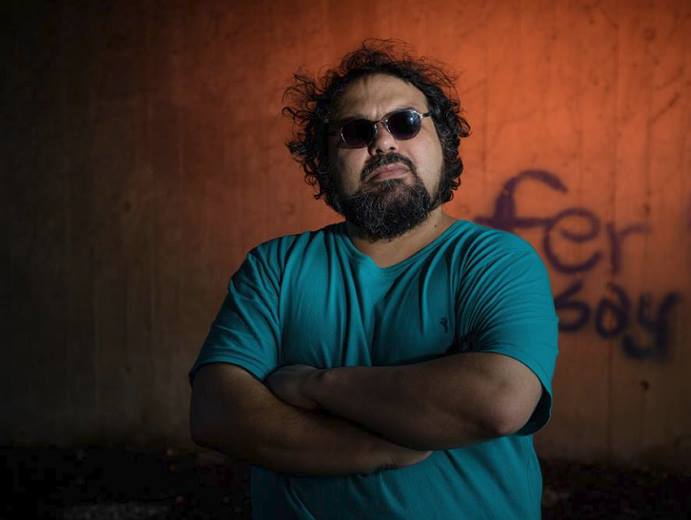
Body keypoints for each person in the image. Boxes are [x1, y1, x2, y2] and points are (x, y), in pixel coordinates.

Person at [189, 41, 558, 519]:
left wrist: (316, 385)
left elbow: (501, 401)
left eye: (405, 122)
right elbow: (216, 412)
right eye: (356, 131)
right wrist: (377, 452)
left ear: (443, 141)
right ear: (324, 162)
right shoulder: (274, 266)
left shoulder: (495, 261)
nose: (383, 143)